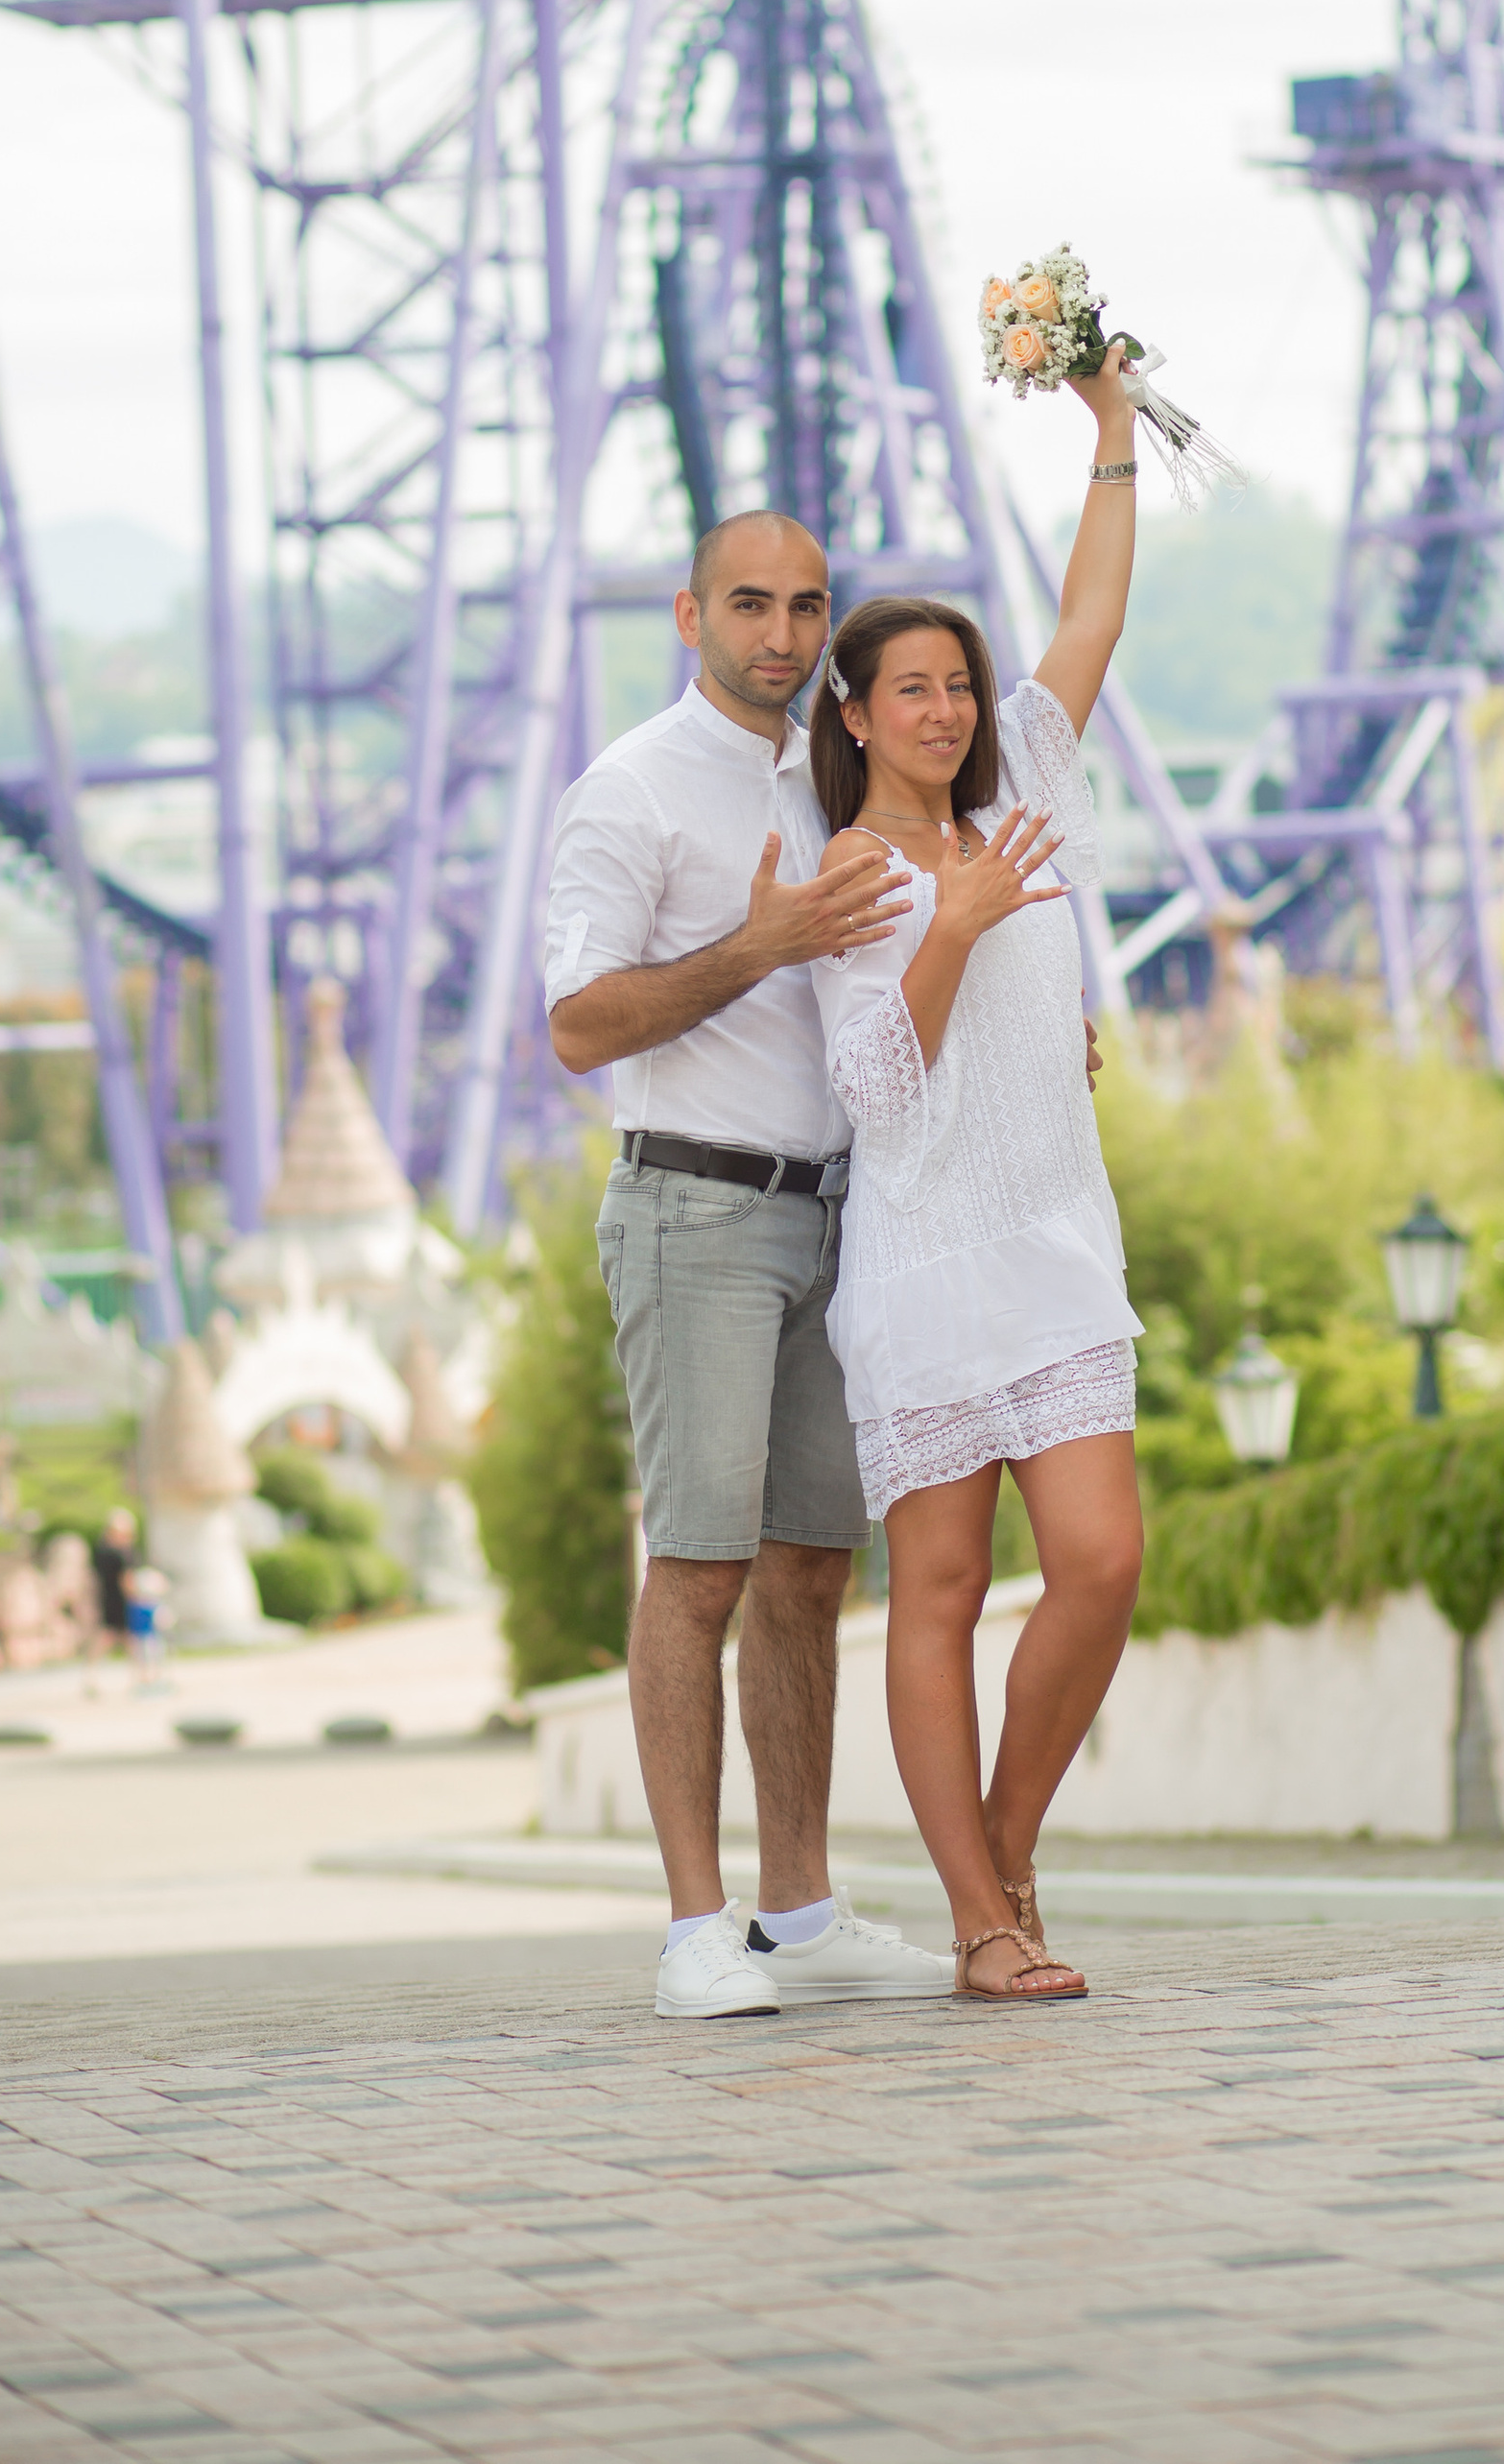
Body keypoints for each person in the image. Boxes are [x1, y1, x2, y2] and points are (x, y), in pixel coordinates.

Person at [543, 511, 953, 2021]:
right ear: (689, 613)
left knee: (806, 1570)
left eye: (806, 607)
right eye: (749, 606)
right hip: (696, 1216)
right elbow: (579, 1026)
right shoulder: (630, 790)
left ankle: (800, 1911)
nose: (781, 635)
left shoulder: (835, 770)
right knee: (701, 1565)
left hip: (844, 1216)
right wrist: (760, 940)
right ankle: (691, 1929)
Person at [799, 345, 1145, 2001]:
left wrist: (1114, 430)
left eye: (958, 686)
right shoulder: (846, 881)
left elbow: (1088, 619)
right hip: (928, 1261)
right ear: (856, 716)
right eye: (910, 691)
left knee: (1103, 1564)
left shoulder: (1034, 800)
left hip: (1056, 1244)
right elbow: (873, 1091)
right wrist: (949, 930)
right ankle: (980, 1920)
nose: (944, 712)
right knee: (934, 1591)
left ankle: (1008, 1843)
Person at [90, 1506, 136, 1660]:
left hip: (106, 1597)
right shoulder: (121, 1554)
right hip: (119, 1600)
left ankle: (142, 1674)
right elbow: (127, 1580)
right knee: (120, 1636)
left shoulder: (101, 1551)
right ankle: (143, 1674)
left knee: (116, 1637)